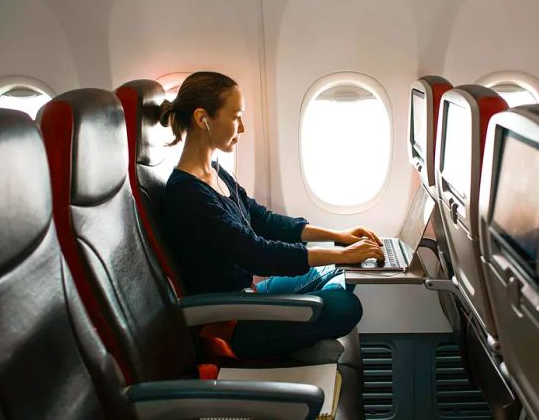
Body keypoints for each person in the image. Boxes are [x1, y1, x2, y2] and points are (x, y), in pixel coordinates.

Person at [160, 71, 384, 359]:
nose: (241, 128)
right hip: (228, 320)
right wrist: (341, 253)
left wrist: (337, 237)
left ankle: (298, 344)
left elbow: (265, 221)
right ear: (203, 119)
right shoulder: (188, 195)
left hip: (247, 296)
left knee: (337, 274)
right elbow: (257, 254)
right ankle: (287, 349)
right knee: (346, 307)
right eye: (235, 116)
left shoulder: (214, 171)